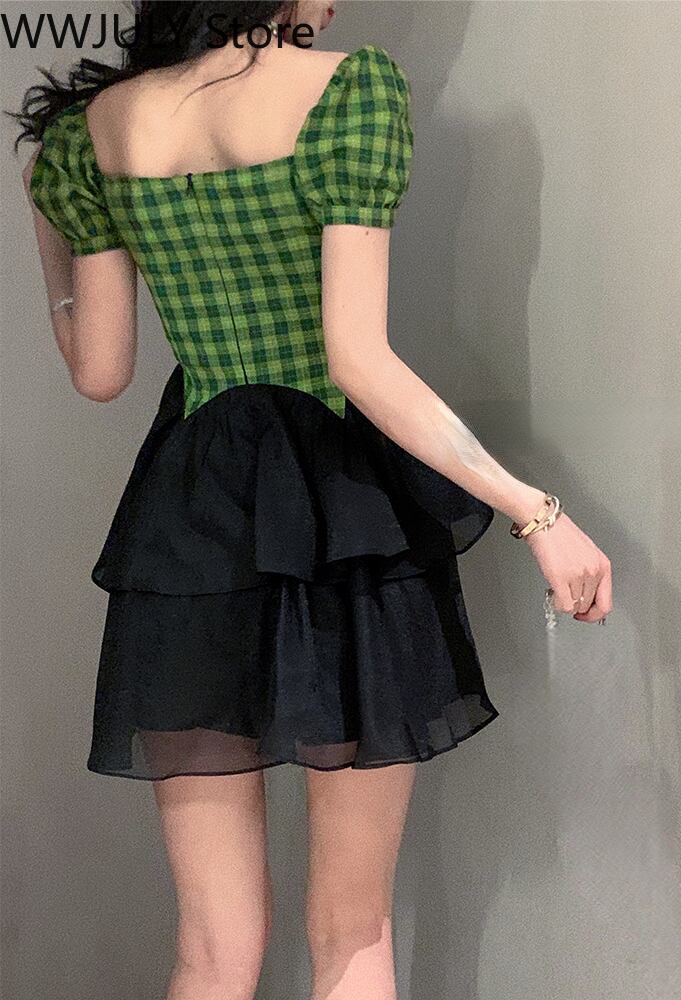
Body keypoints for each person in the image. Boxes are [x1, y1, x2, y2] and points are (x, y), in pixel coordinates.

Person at [12, 2, 612, 997]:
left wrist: (55, 231)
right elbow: (356, 361)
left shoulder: (98, 131)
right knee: (352, 928)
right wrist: (535, 511)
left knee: (212, 948)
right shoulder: (346, 93)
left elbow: (101, 370)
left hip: (192, 526)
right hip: (344, 518)